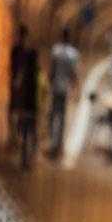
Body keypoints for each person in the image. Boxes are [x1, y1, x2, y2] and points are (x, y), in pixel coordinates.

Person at [9, 26, 41, 170]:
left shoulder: (23, 75)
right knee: (32, 133)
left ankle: (24, 159)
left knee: (24, 133)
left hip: (24, 108)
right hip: (33, 109)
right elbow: (42, 94)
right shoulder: (38, 76)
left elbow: (16, 85)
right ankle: (32, 159)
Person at [48, 28, 80, 157]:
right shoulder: (73, 54)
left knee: (53, 114)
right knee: (62, 117)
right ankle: (58, 143)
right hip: (65, 89)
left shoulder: (56, 51)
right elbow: (74, 74)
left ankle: (53, 140)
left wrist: (49, 85)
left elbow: (52, 71)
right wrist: (77, 89)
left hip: (56, 87)